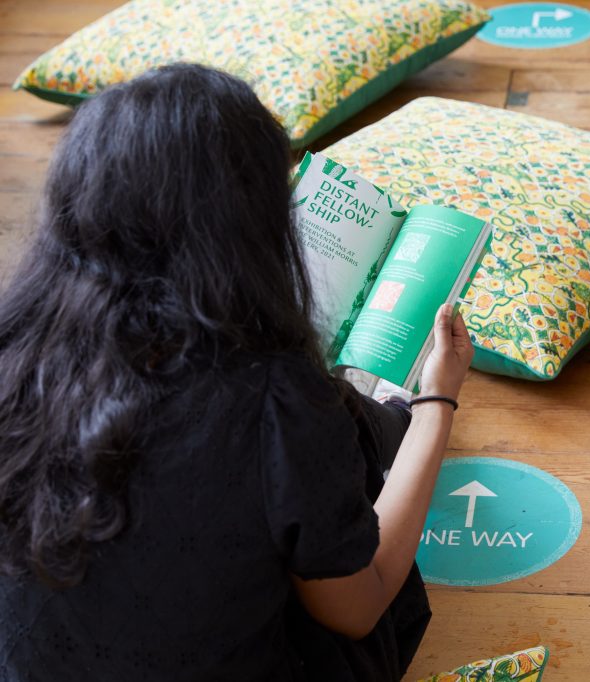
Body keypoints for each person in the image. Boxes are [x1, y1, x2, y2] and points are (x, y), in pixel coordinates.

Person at [0, 64, 473, 681]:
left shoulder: (17, 350)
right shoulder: (274, 398)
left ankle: (378, 422)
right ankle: (394, 420)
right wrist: (440, 399)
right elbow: (360, 606)